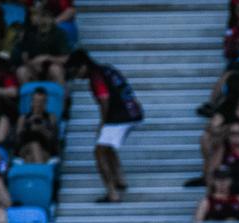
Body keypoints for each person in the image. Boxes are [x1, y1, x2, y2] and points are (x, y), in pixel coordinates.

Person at [66, 49, 143, 204]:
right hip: (133, 112)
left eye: (75, 71)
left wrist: (102, 124)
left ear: (83, 66)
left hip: (119, 116)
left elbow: (104, 100)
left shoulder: (95, 77)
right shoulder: (108, 69)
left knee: (99, 152)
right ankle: (120, 180)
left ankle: (112, 193)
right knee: (107, 147)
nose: (76, 76)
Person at [14, 4, 70, 84]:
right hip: (34, 69)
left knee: (55, 69)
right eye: (42, 16)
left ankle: (59, 94)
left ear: (51, 19)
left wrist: (47, 58)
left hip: (52, 67)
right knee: (21, 71)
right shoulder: (29, 33)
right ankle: (29, 95)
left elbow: (65, 58)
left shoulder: (59, 33)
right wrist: (32, 64)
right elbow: (24, 57)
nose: (44, 20)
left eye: (47, 17)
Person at [16, 86, 61, 164]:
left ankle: (34, 172)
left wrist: (42, 129)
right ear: (32, 102)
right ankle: (40, 170)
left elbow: (55, 141)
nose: (38, 105)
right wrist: (28, 125)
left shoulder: (51, 117)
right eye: (36, 101)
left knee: (30, 158)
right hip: (26, 148)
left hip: (44, 149)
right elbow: (18, 139)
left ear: (46, 103)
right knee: (34, 145)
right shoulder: (24, 118)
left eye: (42, 102)